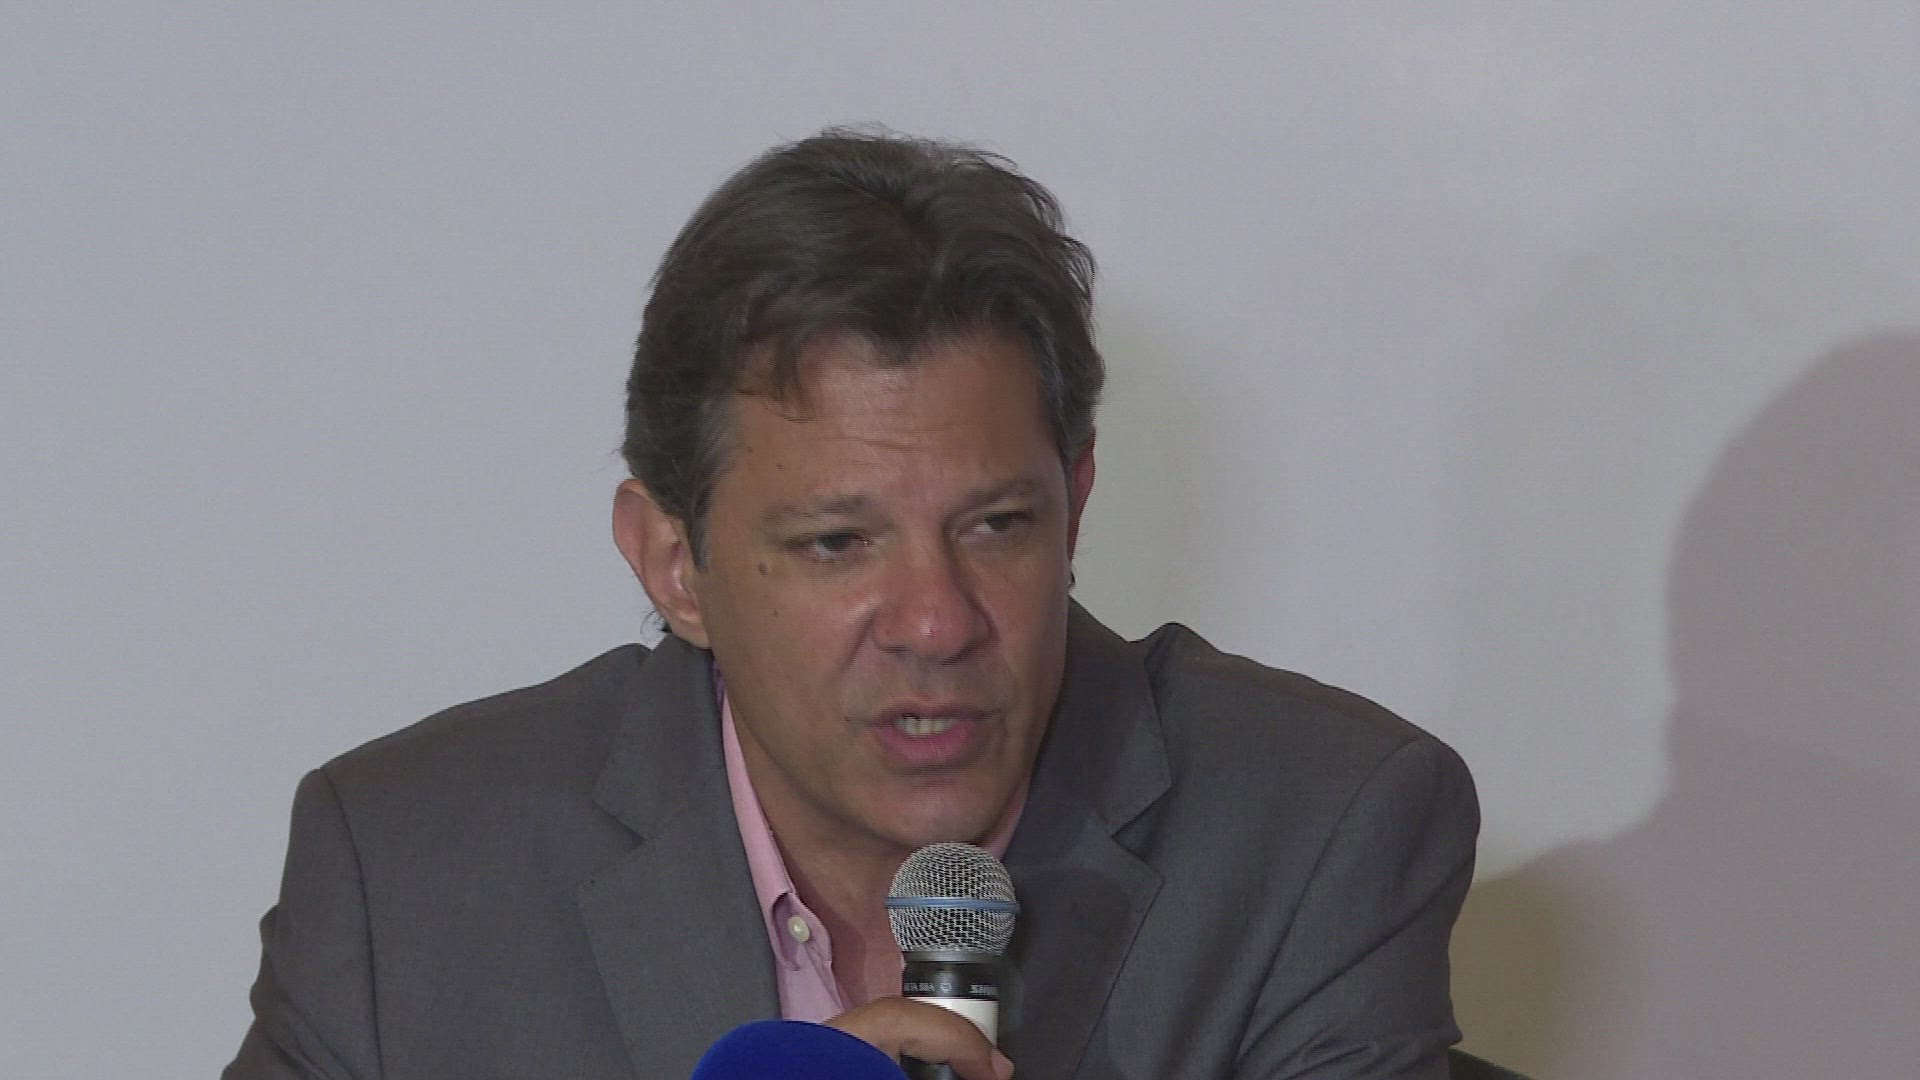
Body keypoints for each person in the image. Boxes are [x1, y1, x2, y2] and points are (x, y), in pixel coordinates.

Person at [225, 128, 1478, 1080]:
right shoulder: (406, 872)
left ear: (1078, 503)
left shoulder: (1315, 835)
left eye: (997, 525)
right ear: (672, 563)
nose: (937, 622)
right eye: (837, 543)